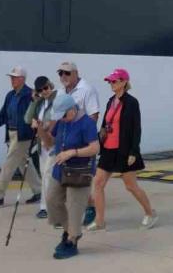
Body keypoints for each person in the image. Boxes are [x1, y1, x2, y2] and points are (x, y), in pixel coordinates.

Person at [86, 68, 157, 231]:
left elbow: (136, 129)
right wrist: (98, 140)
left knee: (131, 186)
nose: (111, 84)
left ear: (124, 82)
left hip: (124, 150)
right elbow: (105, 124)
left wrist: (133, 152)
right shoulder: (111, 101)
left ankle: (150, 213)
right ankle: (99, 221)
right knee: (98, 183)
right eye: (110, 81)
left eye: (114, 81)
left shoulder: (131, 102)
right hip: (108, 149)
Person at [39, 93, 99, 259]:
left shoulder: (87, 123)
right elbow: (49, 143)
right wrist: (40, 130)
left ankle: (72, 240)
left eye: (64, 115)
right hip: (60, 169)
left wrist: (73, 152)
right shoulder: (62, 122)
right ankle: (69, 231)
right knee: (51, 200)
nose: (62, 119)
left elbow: (95, 148)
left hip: (79, 171)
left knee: (74, 206)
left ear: (72, 109)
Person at [0, 66, 42, 207]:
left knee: (8, 164)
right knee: (24, 164)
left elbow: (36, 113)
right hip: (12, 134)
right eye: (11, 77)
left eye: (15, 78)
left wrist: (36, 132)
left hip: (23, 136)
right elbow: (4, 116)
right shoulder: (10, 95)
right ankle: (39, 191)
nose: (12, 80)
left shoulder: (29, 94)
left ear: (22, 79)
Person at [57, 61, 100, 225]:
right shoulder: (61, 91)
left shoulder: (87, 90)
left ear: (76, 73)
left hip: (82, 142)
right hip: (64, 142)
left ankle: (91, 208)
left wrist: (85, 138)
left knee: (81, 178)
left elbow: (93, 115)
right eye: (60, 73)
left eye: (67, 73)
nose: (63, 76)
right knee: (67, 178)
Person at [24, 76, 57, 219]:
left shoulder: (58, 100)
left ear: (51, 85)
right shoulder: (40, 103)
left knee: (48, 174)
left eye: (46, 88)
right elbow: (27, 119)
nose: (44, 91)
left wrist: (44, 125)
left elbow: (57, 120)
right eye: (40, 90)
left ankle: (46, 207)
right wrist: (34, 101)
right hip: (41, 144)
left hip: (53, 143)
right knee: (45, 175)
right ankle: (48, 206)